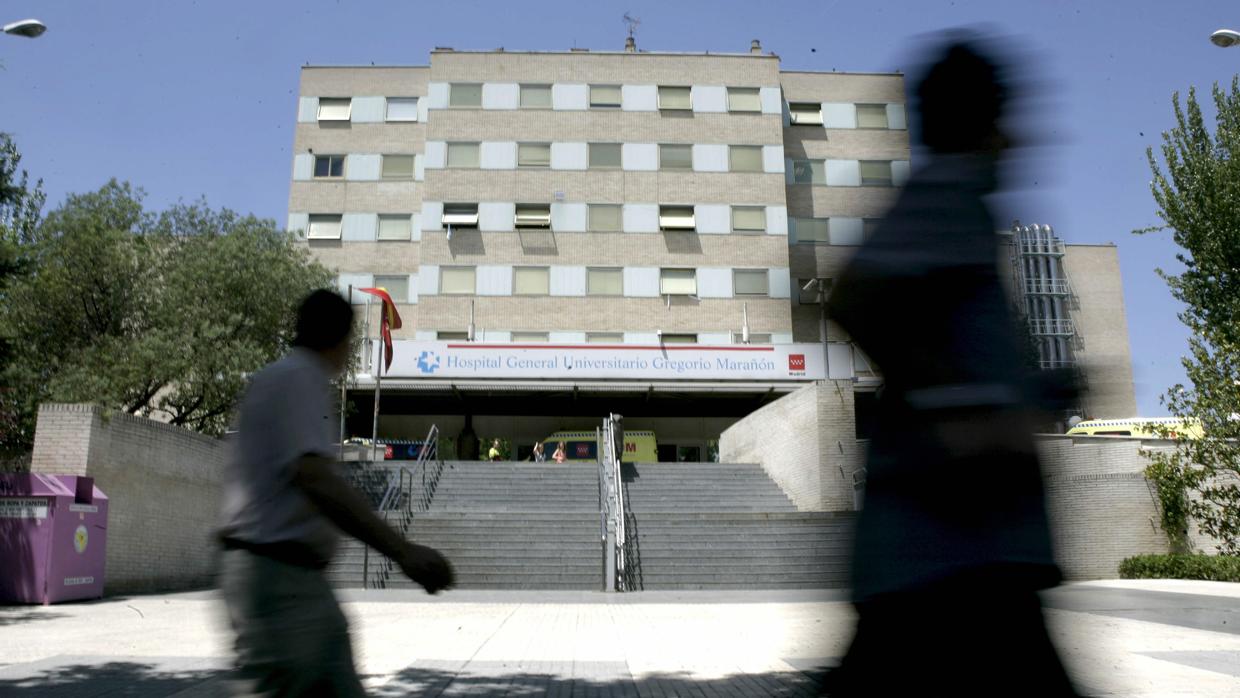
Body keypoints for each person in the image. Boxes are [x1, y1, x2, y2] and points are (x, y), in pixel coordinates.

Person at [822, 38, 1079, 696]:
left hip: (964, 561)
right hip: (949, 562)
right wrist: (963, 417)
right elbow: (857, 295)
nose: (1015, 141)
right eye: (1005, 119)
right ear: (983, 122)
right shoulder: (945, 192)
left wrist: (1035, 395)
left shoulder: (963, 207)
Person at [217, 289, 455, 696]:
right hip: (278, 577)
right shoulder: (300, 377)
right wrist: (403, 551)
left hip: (295, 578)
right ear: (343, 339)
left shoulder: (280, 378)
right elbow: (315, 477)